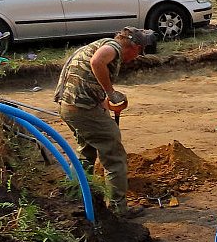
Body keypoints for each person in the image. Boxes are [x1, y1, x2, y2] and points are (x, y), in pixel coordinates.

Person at [54, 27, 156, 215]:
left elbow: (86, 78)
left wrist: (106, 102)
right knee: (114, 156)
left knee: (86, 151)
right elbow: (97, 61)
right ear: (135, 47)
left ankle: (73, 198)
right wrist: (111, 92)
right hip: (82, 109)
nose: (136, 57)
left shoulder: (99, 43)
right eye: (139, 52)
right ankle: (118, 209)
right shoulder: (113, 48)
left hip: (68, 106)